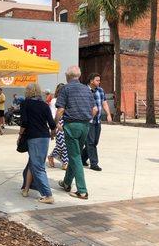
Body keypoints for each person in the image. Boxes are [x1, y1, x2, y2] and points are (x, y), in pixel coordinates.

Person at [55, 66, 97, 200]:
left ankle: (82, 191)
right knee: (76, 155)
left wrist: (56, 123)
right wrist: (88, 118)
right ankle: (67, 183)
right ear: (78, 76)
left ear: (67, 76)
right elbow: (95, 109)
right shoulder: (86, 89)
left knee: (75, 157)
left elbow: (60, 110)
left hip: (71, 125)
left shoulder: (65, 89)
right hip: (85, 125)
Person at [19, 83, 57, 204]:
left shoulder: (25, 104)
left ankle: (47, 194)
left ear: (28, 92)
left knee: (38, 167)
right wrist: (52, 134)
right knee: (33, 162)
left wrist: (20, 135)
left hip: (33, 137)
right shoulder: (44, 105)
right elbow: (52, 123)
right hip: (44, 137)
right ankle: (26, 189)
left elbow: (24, 122)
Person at [81, 73, 112, 171]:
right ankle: (94, 163)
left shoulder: (100, 90)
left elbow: (104, 102)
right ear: (91, 81)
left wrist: (108, 114)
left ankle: (82, 158)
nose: (99, 82)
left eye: (99, 80)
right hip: (88, 121)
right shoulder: (85, 91)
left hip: (97, 121)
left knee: (95, 141)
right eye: (97, 80)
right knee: (91, 143)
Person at [48, 83, 69, 170]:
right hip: (57, 122)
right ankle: (65, 162)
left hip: (66, 123)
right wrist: (57, 124)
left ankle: (51, 156)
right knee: (62, 144)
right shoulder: (54, 101)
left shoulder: (67, 100)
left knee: (63, 144)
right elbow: (53, 114)